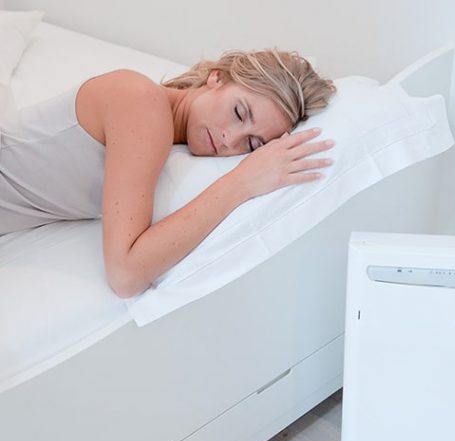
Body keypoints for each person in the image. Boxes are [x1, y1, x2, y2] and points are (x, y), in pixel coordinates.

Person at [0, 49, 336, 297]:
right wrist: (242, 182)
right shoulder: (142, 103)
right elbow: (125, 273)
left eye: (251, 143)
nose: (228, 140)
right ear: (216, 78)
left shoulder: (171, 139)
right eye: (238, 112)